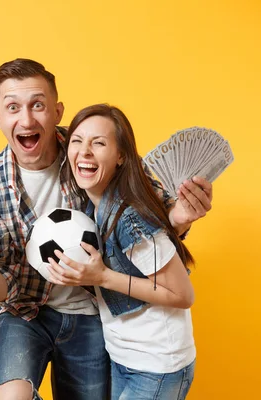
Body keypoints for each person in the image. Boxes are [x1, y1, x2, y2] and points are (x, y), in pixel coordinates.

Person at [0, 59, 213, 400]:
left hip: (92, 315)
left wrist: (181, 217)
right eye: (12, 108)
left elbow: (148, 216)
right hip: (25, 314)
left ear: (57, 111)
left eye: (37, 105)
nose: (26, 120)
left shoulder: (94, 151)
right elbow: (2, 287)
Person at [45, 104, 200, 400]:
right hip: (124, 358)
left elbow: (183, 295)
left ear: (121, 157)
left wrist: (102, 276)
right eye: (77, 141)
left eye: (99, 143)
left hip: (157, 365)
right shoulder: (92, 209)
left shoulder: (130, 218)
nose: (85, 151)